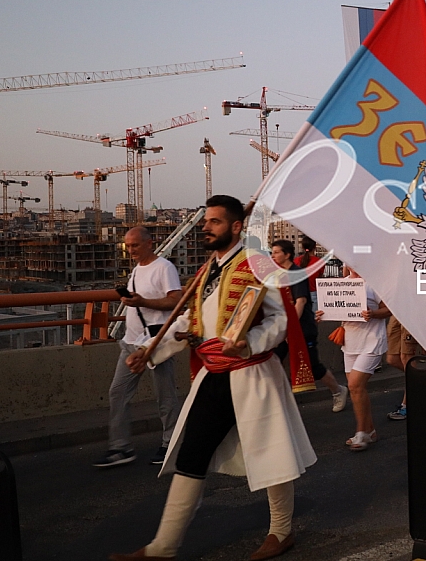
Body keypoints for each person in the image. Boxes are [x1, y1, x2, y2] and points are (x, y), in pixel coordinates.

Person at [109, 195, 316, 561]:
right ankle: (164, 546)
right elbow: (192, 323)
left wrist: (249, 343)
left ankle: (281, 532)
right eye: (205, 222)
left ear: (236, 226)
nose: (205, 227)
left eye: (215, 222)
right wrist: (150, 351)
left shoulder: (258, 264)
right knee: (193, 453)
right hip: (213, 374)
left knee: (272, 454)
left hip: (252, 374)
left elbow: (279, 320)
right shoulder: (207, 270)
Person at [94, 226, 182, 468]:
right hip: (131, 342)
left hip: (155, 343)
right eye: (127, 246)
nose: (130, 250)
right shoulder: (136, 270)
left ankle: (170, 443)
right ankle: (120, 447)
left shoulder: (164, 268)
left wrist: (142, 301)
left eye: (135, 245)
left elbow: (176, 301)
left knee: (165, 396)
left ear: (149, 243)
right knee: (117, 392)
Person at [317, 265, 390, 450]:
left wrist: (373, 313)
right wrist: (322, 315)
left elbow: (388, 309)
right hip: (350, 342)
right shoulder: (342, 284)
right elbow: (335, 308)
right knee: (357, 390)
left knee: (355, 385)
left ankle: (361, 433)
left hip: (372, 340)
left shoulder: (374, 283)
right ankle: (370, 430)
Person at [270, 240, 347, 411]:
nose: (273, 255)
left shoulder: (296, 274)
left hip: (300, 329)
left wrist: (290, 329)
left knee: (312, 365)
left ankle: (338, 390)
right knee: (273, 360)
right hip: (284, 328)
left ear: (287, 254)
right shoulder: (278, 274)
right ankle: (279, 399)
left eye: (276, 252)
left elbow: (300, 302)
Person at [385, 314, 420, 420]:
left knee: (406, 357)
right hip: (396, 311)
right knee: (392, 359)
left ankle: (407, 405)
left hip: (411, 310)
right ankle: (420, 381)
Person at [294, 236, 324, 312]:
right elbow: (319, 276)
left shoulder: (296, 260)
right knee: (314, 319)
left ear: (303, 247)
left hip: (298, 292)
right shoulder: (319, 262)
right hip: (313, 292)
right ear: (315, 247)